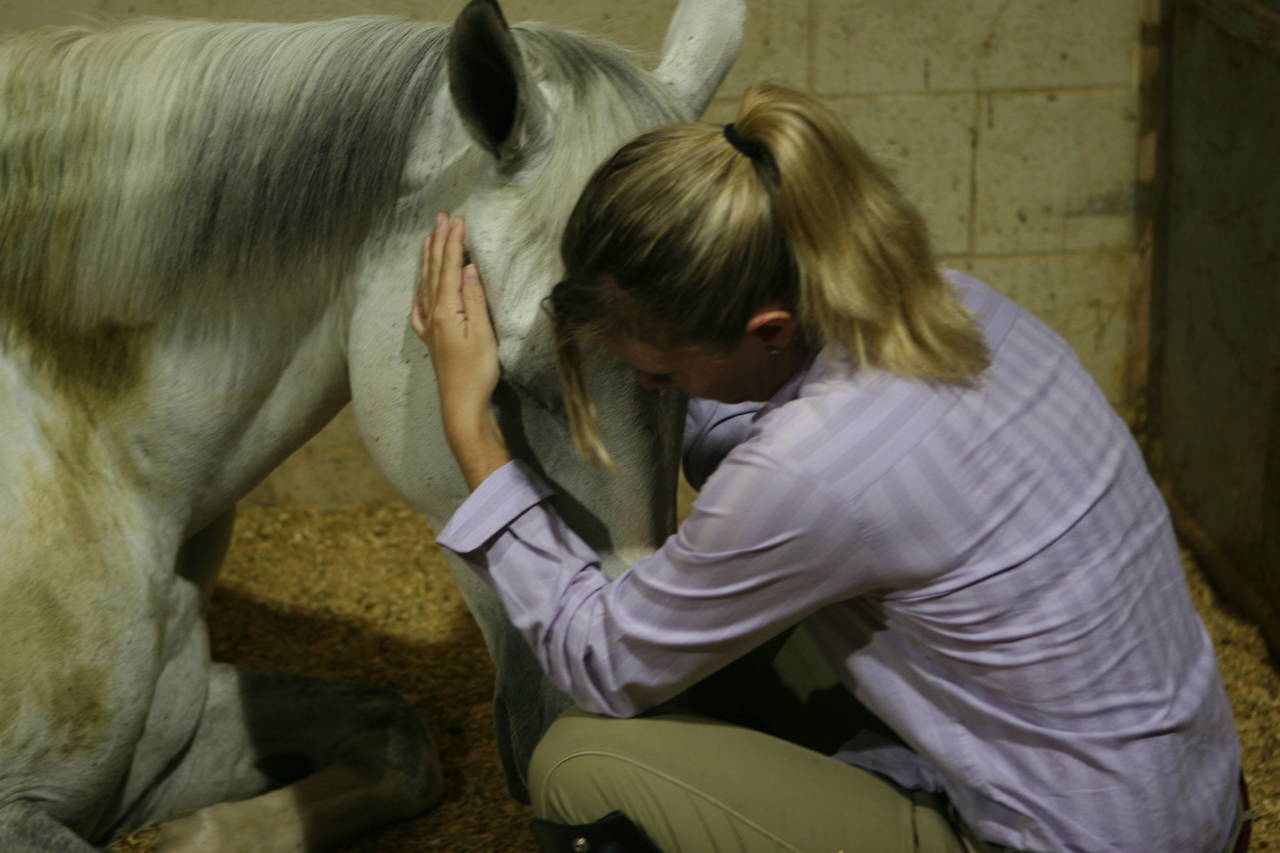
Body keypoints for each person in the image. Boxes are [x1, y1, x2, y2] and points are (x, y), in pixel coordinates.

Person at [410, 82, 1249, 853]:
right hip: (1185, 806)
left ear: (768, 330)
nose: (654, 391)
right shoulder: (955, 304)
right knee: (735, 646)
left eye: (662, 377)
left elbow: (603, 660)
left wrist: (471, 428)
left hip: (1064, 841)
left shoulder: (810, 469)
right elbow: (780, 466)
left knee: (577, 760)